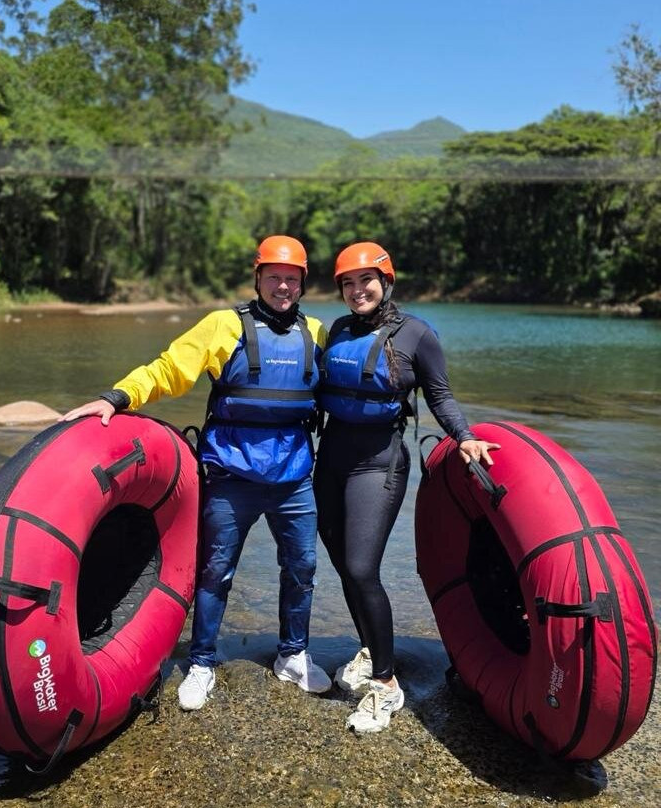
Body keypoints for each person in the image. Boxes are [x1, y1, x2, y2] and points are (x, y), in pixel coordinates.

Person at [61, 235, 332, 710]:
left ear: (303, 282)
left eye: (292, 278)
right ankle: (203, 661)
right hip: (231, 473)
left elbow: (345, 389)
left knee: (302, 569)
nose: (283, 286)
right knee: (215, 570)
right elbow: (169, 370)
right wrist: (116, 397)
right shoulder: (222, 326)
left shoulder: (317, 331)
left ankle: (293, 654)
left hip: (294, 477)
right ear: (257, 278)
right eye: (274, 277)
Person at [313, 241, 499, 734]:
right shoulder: (338, 330)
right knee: (342, 566)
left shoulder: (416, 334)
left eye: (365, 282)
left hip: (379, 464)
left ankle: (387, 684)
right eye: (347, 284)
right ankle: (372, 648)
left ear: (386, 282)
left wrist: (464, 437)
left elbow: (439, 392)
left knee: (361, 567)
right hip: (330, 460)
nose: (357, 291)